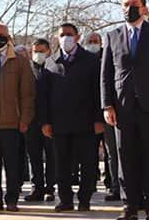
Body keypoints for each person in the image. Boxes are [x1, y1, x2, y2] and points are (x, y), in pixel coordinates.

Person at [102, 0, 149, 220]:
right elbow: (106, 74)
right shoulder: (112, 36)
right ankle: (129, 205)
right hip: (122, 108)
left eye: (133, 5)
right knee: (125, 157)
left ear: (143, 8)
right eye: (124, 4)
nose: (128, 8)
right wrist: (107, 105)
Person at [39, 23, 103, 213]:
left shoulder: (91, 60)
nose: (65, 37)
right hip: (59, 123)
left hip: (86, 122)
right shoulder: (51, 62)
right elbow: (44, 96)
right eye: (62, 34)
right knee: (62, 164)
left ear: (77, 36)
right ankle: (65, 199)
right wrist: (45, 121)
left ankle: (85, 199)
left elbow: (98, 91)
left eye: (69, 34)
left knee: (88, 164)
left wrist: (99, 118)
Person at [0, 23, 35, 213]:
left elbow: (27, 93)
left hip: (11, 121)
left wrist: (25, 120)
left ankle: (12, 200)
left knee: (12, 164)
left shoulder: (19, 61)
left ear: (9, 37)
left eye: (3, 35)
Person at [84, 32, 118, 200]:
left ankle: (114, 185)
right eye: (89, 41)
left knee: (112, 152)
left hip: (107, 113)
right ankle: (89, 184)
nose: (92, 44)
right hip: (87, 117)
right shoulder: (81, 60)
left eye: (95, 41)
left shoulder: (108, 57)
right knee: (88, 153)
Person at [25, 39, 56, 203]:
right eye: (35, 51)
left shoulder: (54, 67)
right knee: (34, 156)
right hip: (31, 120)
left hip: (50, 120)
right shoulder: (27, 69)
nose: (38, 54)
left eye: (41, 51)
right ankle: (36, 187)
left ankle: (50, 188)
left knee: (51, 156)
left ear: (49, 51)